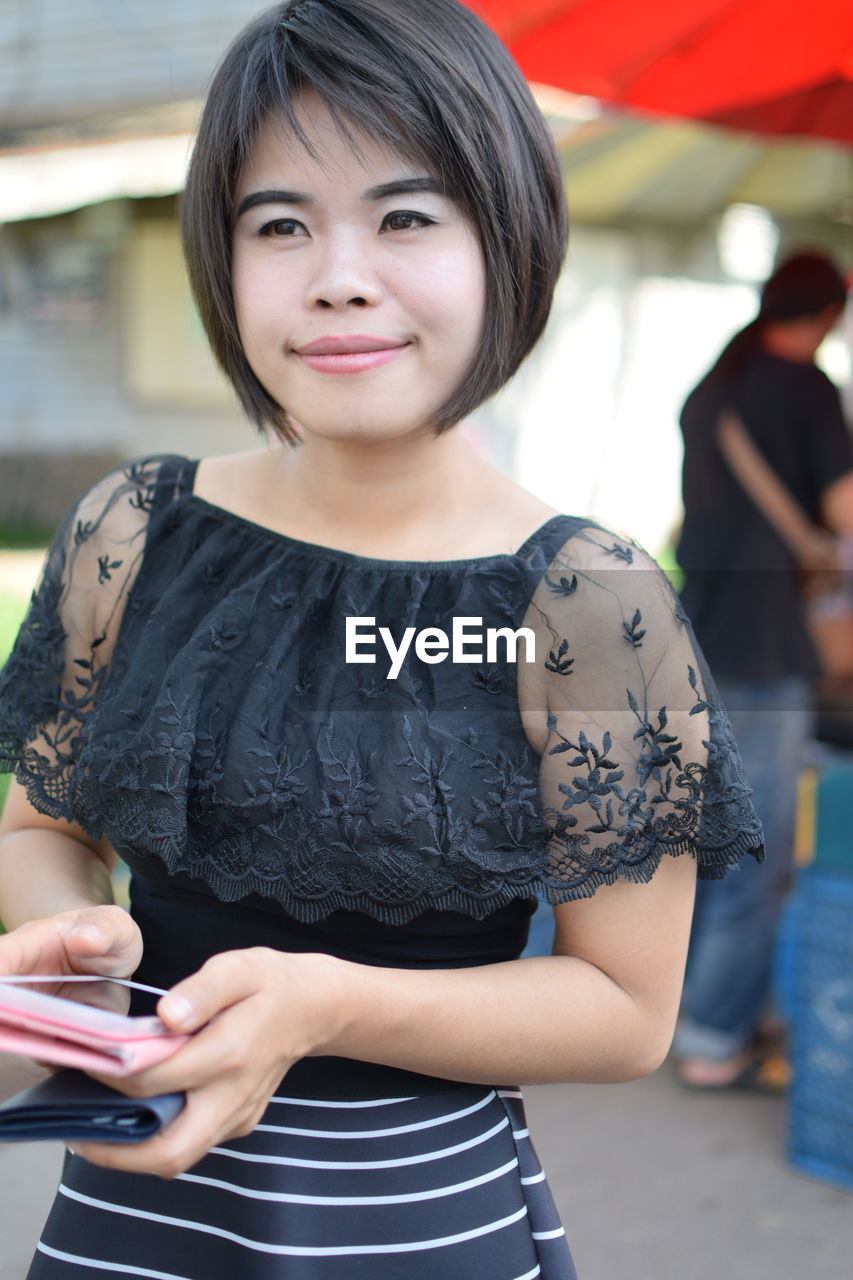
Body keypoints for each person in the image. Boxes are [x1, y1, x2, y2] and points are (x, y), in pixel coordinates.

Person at [0, 2, 762, 1275]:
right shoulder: (130, 531)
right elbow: (42, 830)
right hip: (126, 1222)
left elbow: (627, 1010)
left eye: (405, 217)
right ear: (221, 258)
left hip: (417, 1230)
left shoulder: (586, 603)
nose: (337, 273)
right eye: (280, 223)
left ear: (505, 240)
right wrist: (78, 946)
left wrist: (329, 1002)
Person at [674, 251, 853, 1091]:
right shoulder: (804, 389)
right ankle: (714, 1040)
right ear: (828, 310)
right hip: (764, 646)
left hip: (693, 640)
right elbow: (843, 510)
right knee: (756, 852)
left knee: (707, 842)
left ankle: (688, 1012)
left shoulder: (715, 389)